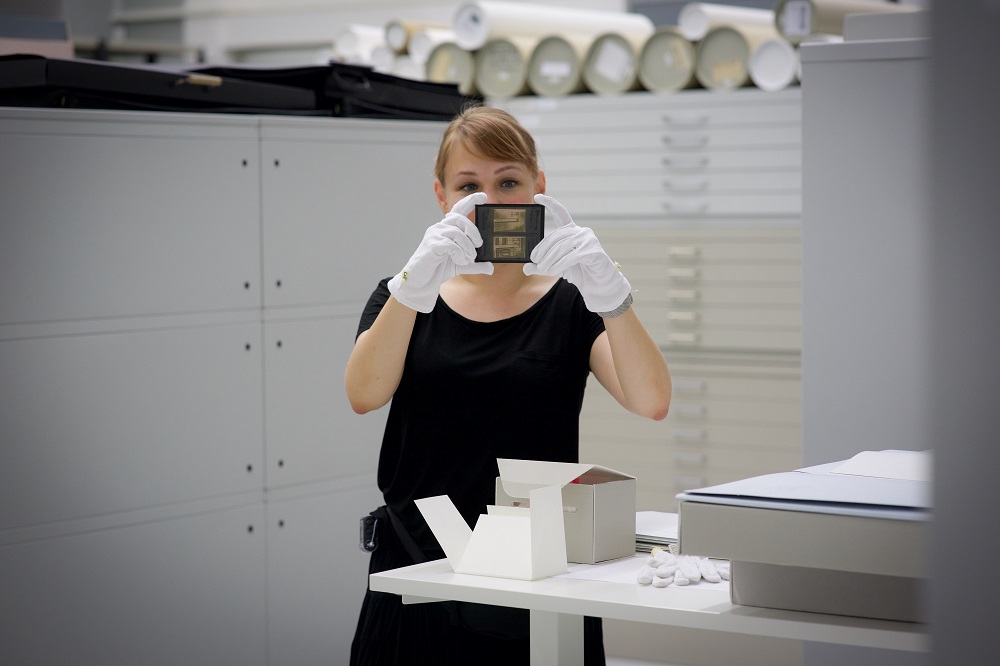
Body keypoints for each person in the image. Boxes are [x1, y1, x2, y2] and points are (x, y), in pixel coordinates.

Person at [345, 104, 671, 665]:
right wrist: (411, 287)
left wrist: (611, 292)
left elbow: (651, 400)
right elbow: (363, 394)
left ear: (539, 189)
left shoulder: (572, 303)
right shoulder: (403, 295)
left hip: (539, 567)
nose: (492, 202)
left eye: (509, 182)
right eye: (469, 186)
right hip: (418, 564)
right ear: (442, 198)